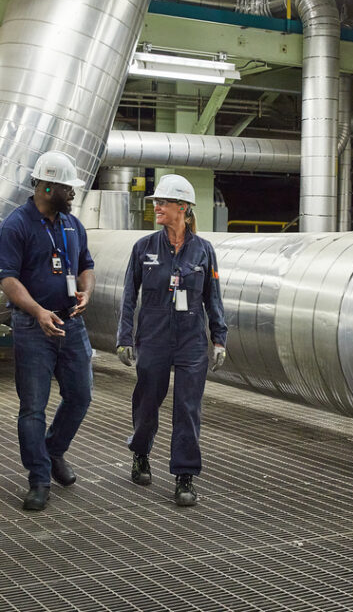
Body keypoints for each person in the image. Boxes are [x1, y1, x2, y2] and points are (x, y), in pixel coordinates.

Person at [116, 174, 227, 507]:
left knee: (188, 408)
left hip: (191, 339)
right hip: (154, 337)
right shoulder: (144, 248)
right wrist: (125, 336)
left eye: (162, 203)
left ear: (183, 208)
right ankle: (140, 452)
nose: (157, 207)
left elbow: (214, 297)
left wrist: (219, 337)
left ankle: (185, 476)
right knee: (147, 401)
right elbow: (127, 295)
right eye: (156, 202)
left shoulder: (203, 251)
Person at [0, 151, 96, 512]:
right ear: (47, 186)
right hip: (33, 328)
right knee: (33, 407)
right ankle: (38, 478)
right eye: (68, 189)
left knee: (80, 395)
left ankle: (53, 451)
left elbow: (86, 266)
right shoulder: (16, 225)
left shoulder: (72, 225)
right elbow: (7, 279)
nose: (73, 195)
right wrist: (37, 312)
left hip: (72, 324)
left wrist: (87, 291)